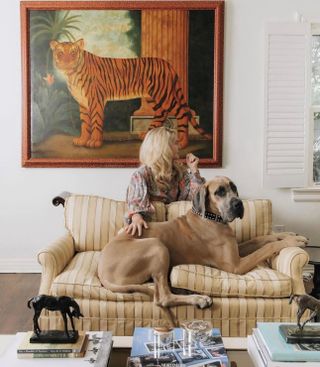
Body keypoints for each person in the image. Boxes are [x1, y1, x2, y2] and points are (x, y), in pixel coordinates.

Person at [125, 126, 205, 236]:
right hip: (150, 231)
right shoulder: (141, 175)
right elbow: (135, 207)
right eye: (176, 143)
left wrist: (194, 170)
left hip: (175, 232)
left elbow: (198, 199)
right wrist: (136, 217)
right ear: (164, 147)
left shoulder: (180, 173)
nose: (179, 146)